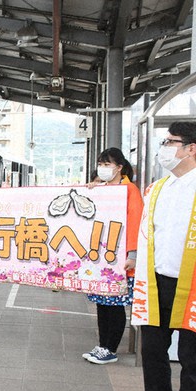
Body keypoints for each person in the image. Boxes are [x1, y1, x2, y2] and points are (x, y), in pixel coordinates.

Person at [127, 122, 196, 391]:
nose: (165, 147)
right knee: (153, 348)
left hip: (193, 285)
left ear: (191, 148)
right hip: (155, 281)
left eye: (171, 142)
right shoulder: (157, 188)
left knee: (191, 354)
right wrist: (135, 258)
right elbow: (147, 232)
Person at [82, 148, 143, 364]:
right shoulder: (102, 189)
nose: (103, 168)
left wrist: (132, 254)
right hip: (101, 256)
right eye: (101, 163)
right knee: (102, 302)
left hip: (119, 257)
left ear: (119, 167)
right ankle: (102, 345)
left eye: (107, 164)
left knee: (115, 303)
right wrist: (91, 190)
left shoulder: (129, 190)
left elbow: (136, 223)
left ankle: (111, 348)